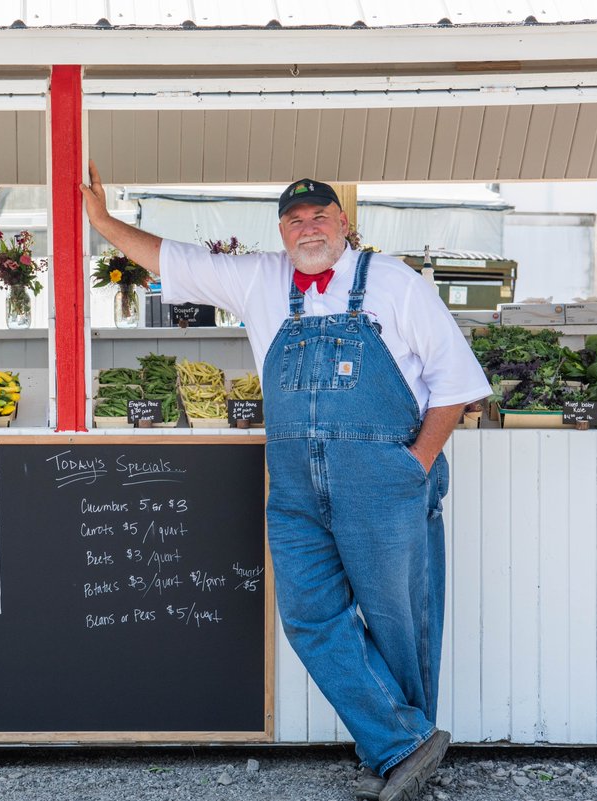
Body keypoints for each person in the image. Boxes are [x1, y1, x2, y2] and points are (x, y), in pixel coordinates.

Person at [80, 164, 490, 801]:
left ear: (343, 224)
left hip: (383, 480)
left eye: (320, 215)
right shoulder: (260, 280)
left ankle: (394, 752)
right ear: (281, 232)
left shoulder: (394, 283)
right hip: (296, 490)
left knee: (398, 621)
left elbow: (457, 386)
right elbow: (174, 256)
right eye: (295, 220)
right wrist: (103, 222)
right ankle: (402, 741)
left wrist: (414, 466)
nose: (309, 227)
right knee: (309, 615)